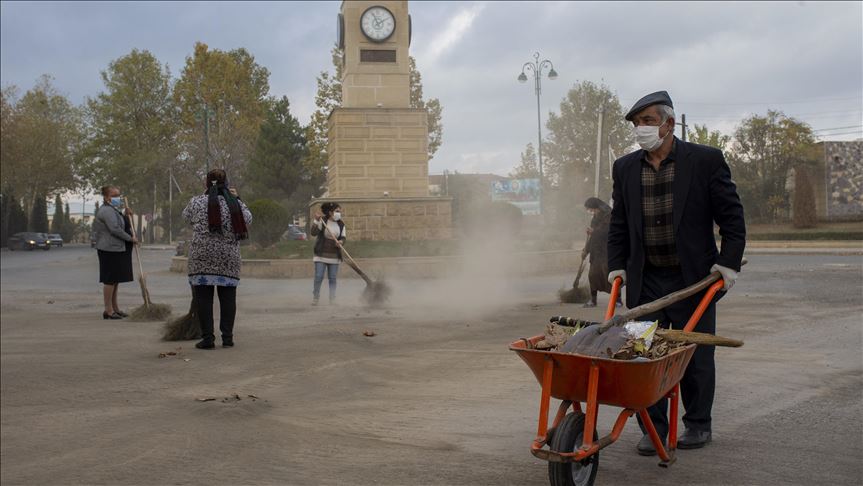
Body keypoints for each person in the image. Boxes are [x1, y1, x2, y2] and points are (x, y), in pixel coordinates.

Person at [607, 91, 745, 454]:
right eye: (637, 124)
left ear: (669, 123)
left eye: (648, 121)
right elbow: (618, 222)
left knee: (695, 355)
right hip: (646, 281)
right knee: (641, 351)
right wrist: (616, 266)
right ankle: (651, 427)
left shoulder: (704, 160)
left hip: (693, 280)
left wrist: (728, 263)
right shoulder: (624, 168)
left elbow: (731, 217)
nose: (641, 129)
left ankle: (698, 424)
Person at [183, 169, 252, 350]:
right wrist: (237, 198)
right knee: (228, 298)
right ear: (227, 184)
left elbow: (186, 217)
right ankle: (227, 338)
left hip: (201, 257)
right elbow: (248, 219)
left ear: (206, 183)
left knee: (203, 299)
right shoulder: (234, 204)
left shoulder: (196, 202)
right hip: (228, 258)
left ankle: (208, 339)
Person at [93, 185, 137, 319]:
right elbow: (115, 229)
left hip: (117, 248)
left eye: (119, 195)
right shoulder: (106, 211)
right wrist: (131, 238)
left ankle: (115, 308)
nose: (118, 198)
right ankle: (108, 310)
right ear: (106, 198)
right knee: (110, 280)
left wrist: (125, 213)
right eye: (114, 196)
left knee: (116, 280)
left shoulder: (114, 210)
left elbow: (120, 222)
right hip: (109, 249)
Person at [581, 197, 617, 308]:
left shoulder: (609, 215)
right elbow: (592, 237)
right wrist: (586, 250)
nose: (591, 212)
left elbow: (608, 231)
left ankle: (617, 299)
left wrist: (594, 231)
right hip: (596, 251)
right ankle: (593, 300)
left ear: (597, 207)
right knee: (592, 275)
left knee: (609, 274)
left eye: (592, 209)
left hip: (607, 249)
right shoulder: (595, 218)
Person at [310, 202, 346, 306]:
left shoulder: (341, 224)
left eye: (340, 211)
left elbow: (343, 237)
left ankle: (332, 299)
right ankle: (316, 297)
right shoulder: (323, 221)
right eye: (337, 211)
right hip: (321, 254)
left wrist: (341, 242)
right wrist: (316, 221)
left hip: (334, 255)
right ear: (330, 212)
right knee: (318, 276)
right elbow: (314, 232)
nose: (339, 213)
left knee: (333, 278)